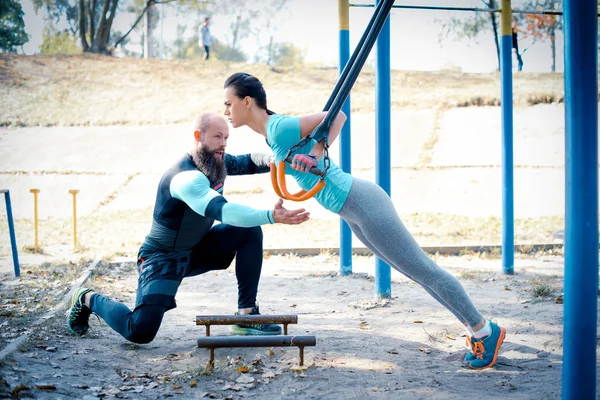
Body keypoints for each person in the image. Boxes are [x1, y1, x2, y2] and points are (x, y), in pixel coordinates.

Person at [222, 72, 507, 370]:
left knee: (423, 269)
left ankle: (484, 330)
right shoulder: (270, 134)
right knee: (414, 272)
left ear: (246, 101)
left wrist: (318, 154)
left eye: (228, 104)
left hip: (361, 202)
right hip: (353, 210)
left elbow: (338, 116)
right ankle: (476, 330)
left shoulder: (278, 128)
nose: (226, 111)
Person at [66, 111, 310, 343]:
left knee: (248, 231)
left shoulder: (216, 161)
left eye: (226, 138)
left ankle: (246, 315)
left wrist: (274, 158)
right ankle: (87, 297)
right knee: (139, 331)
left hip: (195, 250)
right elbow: (223, 211)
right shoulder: (185, 178)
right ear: (198, 136)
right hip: (162, 258)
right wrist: (271, 215)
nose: (223, 144)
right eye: (217, 137)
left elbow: (249, 161)